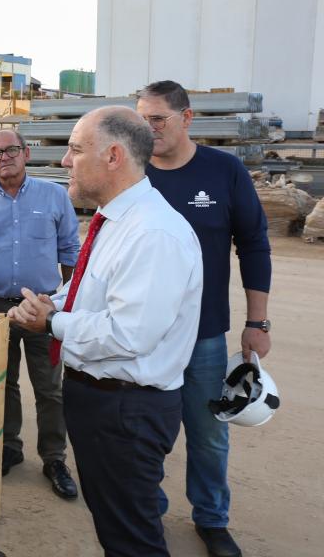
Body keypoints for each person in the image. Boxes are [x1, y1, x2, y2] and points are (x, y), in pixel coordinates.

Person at [8, 106, 203, 556]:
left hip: (125, 411)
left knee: (131, 539)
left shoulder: (154, 233)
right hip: (105, 402)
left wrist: (51, 321)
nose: (63, 161)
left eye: (75, 150)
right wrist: (53, 301)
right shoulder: (117, 220)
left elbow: (131, 333)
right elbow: (92, 291)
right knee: (119, 524)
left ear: (113, 156)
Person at [139, 80, 272, 557]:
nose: (149, 129)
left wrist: (257, 323)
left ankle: (212, 519)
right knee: (146, 433)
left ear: (187, 118)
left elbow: (254, 243)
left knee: (210, 436)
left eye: (159, 119)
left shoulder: (224, 171)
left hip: (203, 336)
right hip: (143, 336)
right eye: (143, 120)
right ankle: (146, 511)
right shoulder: (133, 173)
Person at [0, 129, 80, 498]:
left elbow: (71, 252)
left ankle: (54, 457)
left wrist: (65, 302)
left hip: (43, 306)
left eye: (11, 150)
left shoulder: (55, 195)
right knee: (2, 382)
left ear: (27, 152)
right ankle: (9, 446)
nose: (5, 157)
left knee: (49, 387)